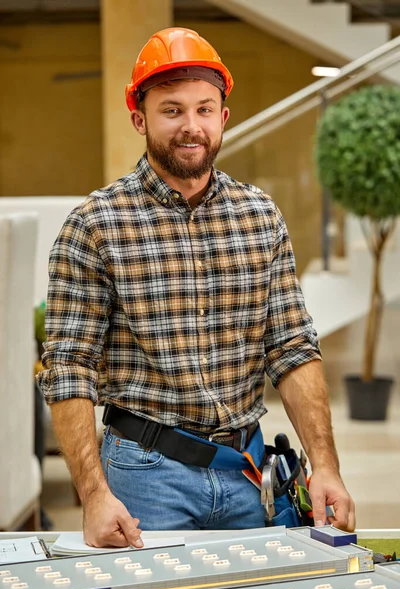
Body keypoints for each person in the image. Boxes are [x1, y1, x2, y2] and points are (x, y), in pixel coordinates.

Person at [37, 27, 355, 548]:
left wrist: (326, 467)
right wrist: (94, 495)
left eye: (205, 109)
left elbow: (292, 348)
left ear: (223, 118)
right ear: (139, 117)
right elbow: (69, 368)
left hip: (249, 471)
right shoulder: (95, 225)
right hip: (146, 476)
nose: (191, 126)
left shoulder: (260, 216)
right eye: (172, 110)